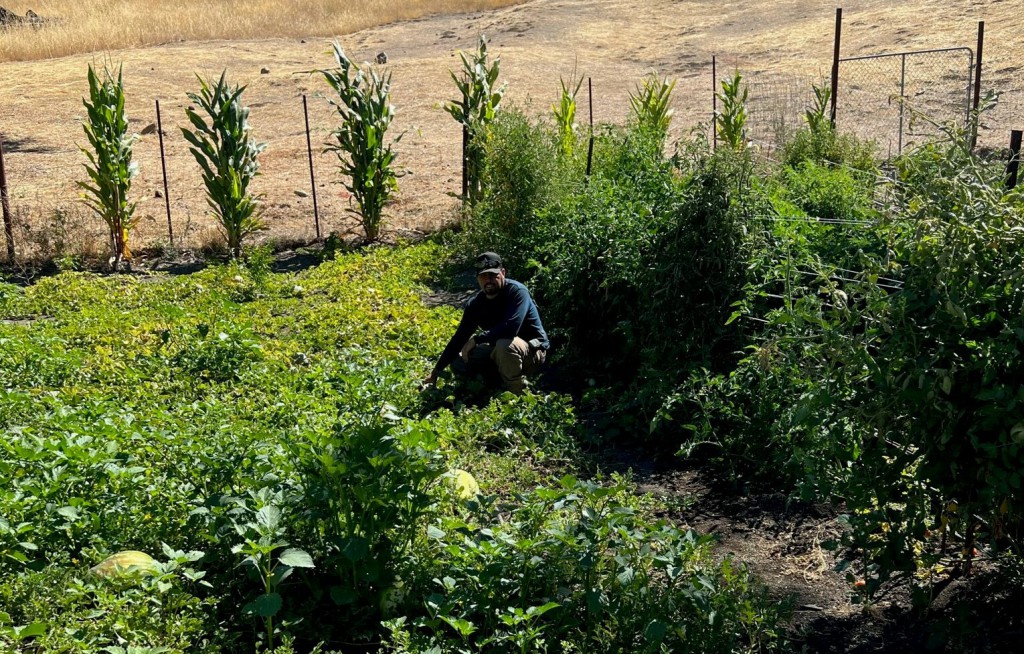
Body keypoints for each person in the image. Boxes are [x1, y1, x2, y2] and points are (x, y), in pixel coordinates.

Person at [423, 252, 549, 394]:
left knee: (504, 344)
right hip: (501, 353)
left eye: (493, 275)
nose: (488, 280)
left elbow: (511, 328)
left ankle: (517, 393)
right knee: (459, 360)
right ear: (477, 278)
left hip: (531, 353)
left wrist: (477, 339)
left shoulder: (517, 292)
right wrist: (436, 370)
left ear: (503, 273)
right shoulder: (476, 303)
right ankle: (493, 385)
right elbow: (459, 338)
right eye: (483, 276)